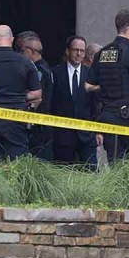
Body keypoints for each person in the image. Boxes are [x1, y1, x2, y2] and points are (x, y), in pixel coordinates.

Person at [85, 9, 129, 162]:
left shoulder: (102, 53)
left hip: (108, 116)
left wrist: (106, 86)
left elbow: (88, 86)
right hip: (128, 117)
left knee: (115, 162)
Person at [0, 25, 42, 160]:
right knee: (16, 161)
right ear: (12, 39)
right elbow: (37, 94)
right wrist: (21, 96)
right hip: (16, 118)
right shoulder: (25, 62)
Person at [50, 35, 97, 166]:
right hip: (62, 135)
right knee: (62, 171)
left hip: (87, 135)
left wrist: (98, 131)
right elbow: (50, 103)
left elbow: (96, 104)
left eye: (82, 51)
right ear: (68, 51)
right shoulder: (55, 73)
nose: (78, 54)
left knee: (91, 171)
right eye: (75, 50)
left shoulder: (91, 74)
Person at [16, 31, 54, 160]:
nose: (19, 54)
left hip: (38, 127)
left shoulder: (38, 71)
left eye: (21, 50)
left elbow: (36, 96)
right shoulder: (46, 68)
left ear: (31, 50)